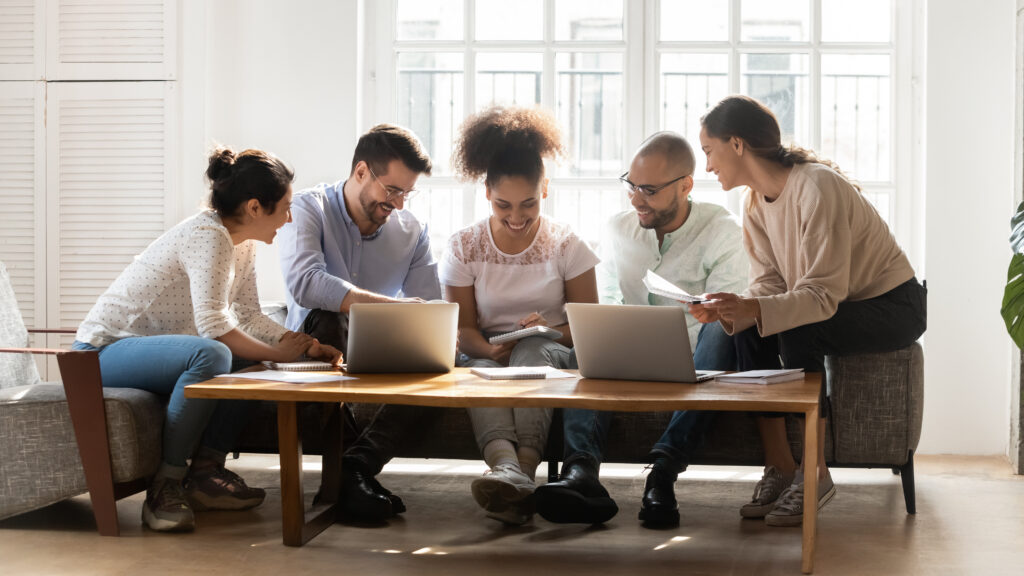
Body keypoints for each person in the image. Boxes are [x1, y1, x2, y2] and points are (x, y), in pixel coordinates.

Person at [73, 148, 342, 532]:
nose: (290, 217)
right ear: (254, 207)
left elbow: (247, 315)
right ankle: (165, 485)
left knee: (247, 361)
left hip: (146, 351)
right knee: (216, 353)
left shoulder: (243, 244)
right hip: (100, 352)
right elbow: (214, 324)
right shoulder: (207, 236)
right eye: (284, 207)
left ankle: (205, 475)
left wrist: (303, 344)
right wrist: (274, 354)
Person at [692, 95, 926, 527]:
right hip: (837, 304)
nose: (707, 166)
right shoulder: (755, 203)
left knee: (799, 329)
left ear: (737, 144)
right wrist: (735, 309)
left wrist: (755, 306)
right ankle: (781, 466)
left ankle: (815, 474)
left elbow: (822, 297)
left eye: (709, 151)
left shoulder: (817, 186)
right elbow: (768, 286)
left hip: (893, 304)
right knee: (745, 328)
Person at [534, 132, 748, 528]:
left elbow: (729, 308)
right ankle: (581, 474)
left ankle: (662, 472)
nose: (635, 199)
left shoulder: (723, 230)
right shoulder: (618, 229)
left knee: (722, 332)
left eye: (648, 190)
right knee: (588, 339)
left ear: (685, 185)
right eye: (631, 185)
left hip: (698, 361)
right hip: (632, 355)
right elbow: (611, 297)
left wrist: (709, 311)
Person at [441, 106, 600, 525]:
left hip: (550, 352)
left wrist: (547, 330)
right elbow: (463, 330)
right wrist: (490, 352)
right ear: (486, 195)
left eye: (528, 204)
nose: (516, 218)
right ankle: (507, 470)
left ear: (544, 190)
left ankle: (519, 473)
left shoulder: (567, 245)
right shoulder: (464, 246)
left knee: (531, 347)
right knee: (474, 368)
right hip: (486, 353)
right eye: (503, 206)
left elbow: (589, 329)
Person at [277, 124, 440, 523]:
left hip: (385, 351)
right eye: (392, 190)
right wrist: (390, 309)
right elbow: (306, 282)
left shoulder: (412, 231)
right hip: (320, 348)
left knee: (444, 357)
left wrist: (430, 331)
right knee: (331, 315)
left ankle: (353, 467)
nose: (399, 204)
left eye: (407, 193)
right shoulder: (306, 208)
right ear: (362, 171)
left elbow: (431, 307)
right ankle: (355, 474)